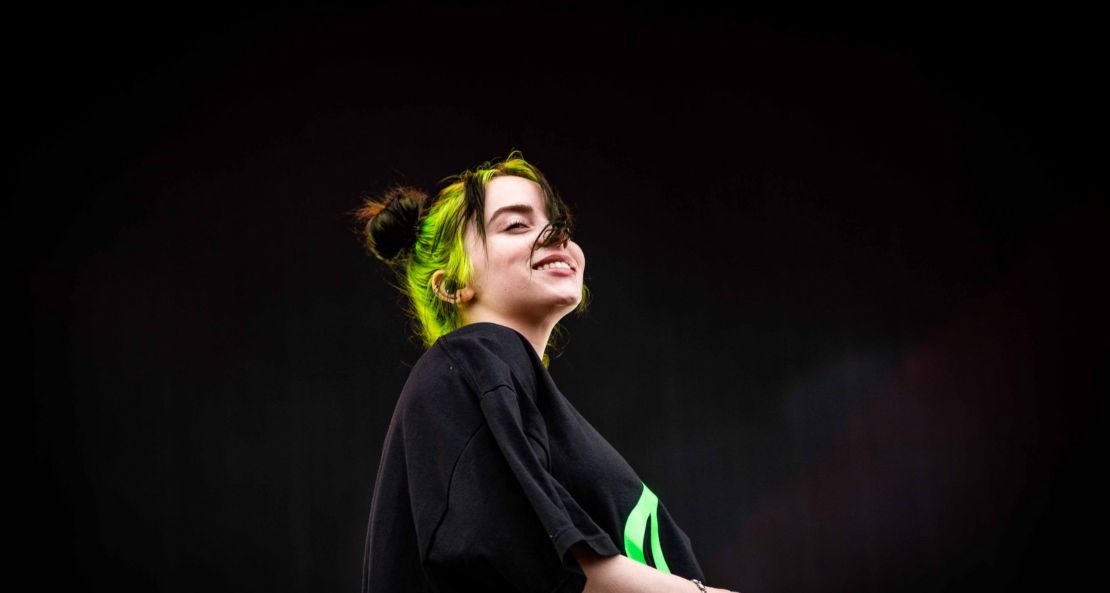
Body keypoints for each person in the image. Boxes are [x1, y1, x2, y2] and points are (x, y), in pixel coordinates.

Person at [356, 151, 737, 593]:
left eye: (557, 223)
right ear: (453, 284)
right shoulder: (472, 358)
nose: (557, 234)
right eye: (516, 225)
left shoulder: (507, 388)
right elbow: (539, 559)